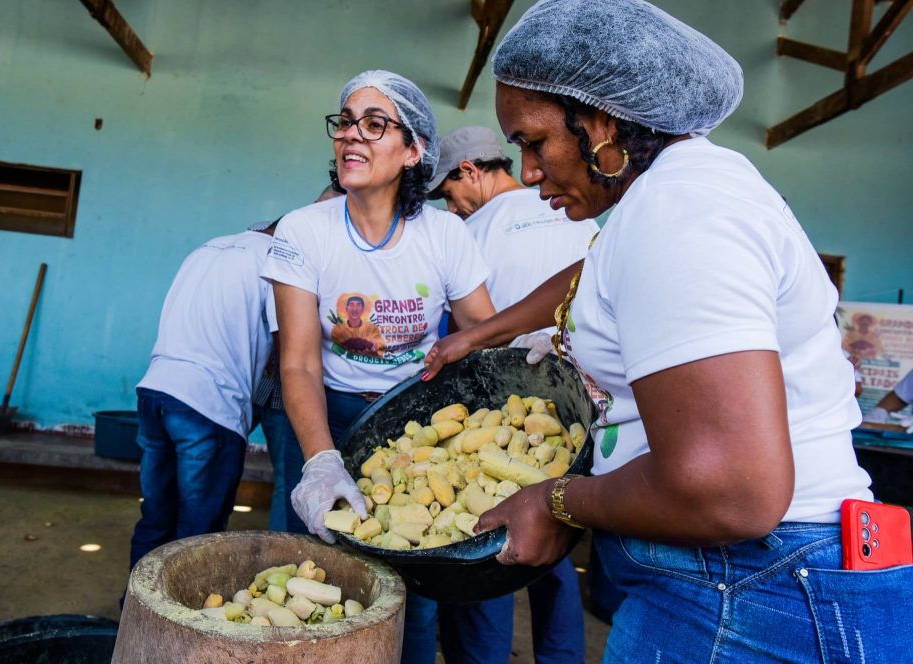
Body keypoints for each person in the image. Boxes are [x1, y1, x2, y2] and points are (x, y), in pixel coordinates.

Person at [422, 1, 912, 661]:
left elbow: (734, 491)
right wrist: (477, 335)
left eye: (534, 143)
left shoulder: (676, 213)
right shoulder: (680, 191)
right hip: (758, 576)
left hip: (752, 588)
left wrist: (559, 500)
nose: (530, 174)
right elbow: (587, 271)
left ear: (601, 124)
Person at [261, 70, 495, 664]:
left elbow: (482, 335)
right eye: (345, 122)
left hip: (412, 424)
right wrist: (320, 459)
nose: (350, 137)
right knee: (304, 566)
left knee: (408, 579)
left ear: (414, 151)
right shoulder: (302, 231)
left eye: (374, 124)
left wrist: (533, 348)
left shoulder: (444, 235)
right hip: (325, 413)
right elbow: (299, 365)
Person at [427, 126, 598, 664]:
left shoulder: (473, 231)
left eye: (450, 193)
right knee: (557, 534)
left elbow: (456, 325)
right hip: (581, 403)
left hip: (504, 405)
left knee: (492, 538)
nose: (451, 207)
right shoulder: (580, 215)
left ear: (471, 172)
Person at [129, 227, 275, 571]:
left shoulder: (208, 248)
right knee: (198, 534)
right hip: (210, 404)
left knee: (155, 517)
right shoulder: (277, 260)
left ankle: (133, 615)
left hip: (156, 390)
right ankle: (180, 622)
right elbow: (287, 350)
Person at [251, 185, 344, 531]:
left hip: (293, 386)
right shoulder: (297, 248)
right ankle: (283, 545)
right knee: (290, 483)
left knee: (293, 481)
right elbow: (287, 348)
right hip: (284, 392)